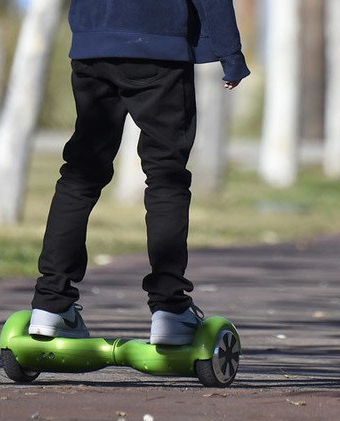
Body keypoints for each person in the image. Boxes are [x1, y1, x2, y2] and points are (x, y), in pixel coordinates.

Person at [27, 0, 250, 345]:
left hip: (93, 46)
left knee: (81, 173)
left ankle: (50, 304)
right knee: (166, 176)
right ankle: (171, 308)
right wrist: (230, 53)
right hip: (158, 47)